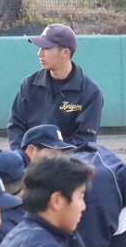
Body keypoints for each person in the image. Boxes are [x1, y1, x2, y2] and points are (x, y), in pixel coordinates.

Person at [6, 24, 104, 152]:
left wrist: (56, 163)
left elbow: (84, 142)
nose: (39, 53)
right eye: (40, 48)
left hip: (68, 166)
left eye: (46, 48)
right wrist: (24, 158)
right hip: (31, 163)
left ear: (65, 52)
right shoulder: (29, 85)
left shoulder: (91, 92)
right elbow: (16, 127)